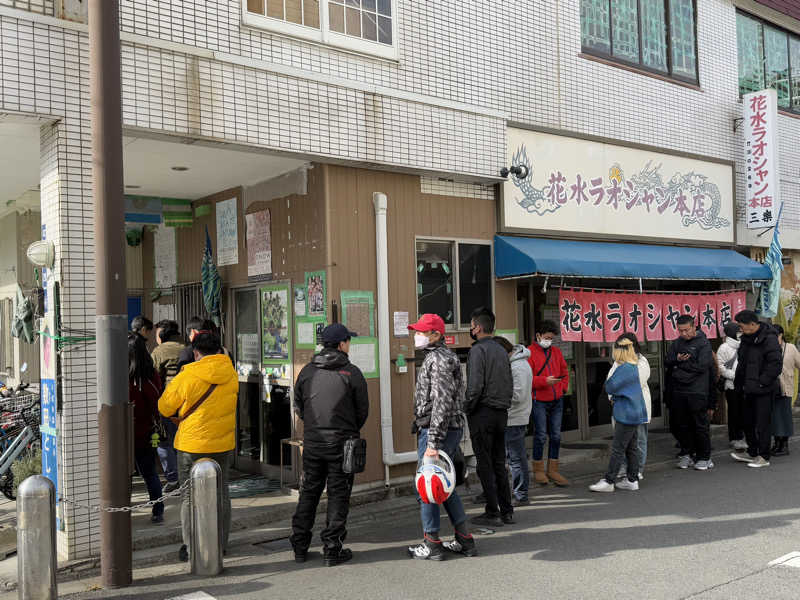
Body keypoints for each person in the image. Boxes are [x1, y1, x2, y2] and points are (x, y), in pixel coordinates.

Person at [290, 324, 369, 567]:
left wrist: (314, 426)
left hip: (313, 443)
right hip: (342, 444)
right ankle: (332, 549)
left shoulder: (307, 372)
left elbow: (299, 407)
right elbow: (362, 412)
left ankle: (300, 546)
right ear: (342, 344)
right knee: (338, 495)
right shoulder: (351, 373)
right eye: (348, 341)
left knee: (309, 493)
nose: (350, 345)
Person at [158, 330, 238, 562]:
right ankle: (220, 544)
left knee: (189, 497)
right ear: (219, 350)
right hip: (222, 443)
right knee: (221, 494)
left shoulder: (188, 376)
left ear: (195, 353)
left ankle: (191, 545)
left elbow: (164, 407)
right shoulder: (230, 374)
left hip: (191, 445)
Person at [406, 314, 475, 561]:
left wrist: (433, 442)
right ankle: (464, 539)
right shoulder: (440, 357)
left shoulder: (439, 359)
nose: (417, 335)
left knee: (429, 485)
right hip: (445, 429)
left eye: (422, 332)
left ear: (436, 334)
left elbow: (442, 403)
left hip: (438, 431)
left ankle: (432, 542)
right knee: (443, 485)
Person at [464, 307, 514, 527]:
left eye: (472, 325)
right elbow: (509, 383)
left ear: (479, 327)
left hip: (482, 412)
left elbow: (474, 387)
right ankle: (507, 510)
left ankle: (492, 511)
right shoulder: (502, 350)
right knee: (499, 462)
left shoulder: (477, 351)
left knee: (484, 463)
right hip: (501, 413)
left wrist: (467, 407)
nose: (470, 329)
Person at [589, 338, 648, 492]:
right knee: (631, 448)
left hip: (625, 413)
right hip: (635, 412)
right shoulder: (635, 365)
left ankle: (609, 480)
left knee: (618, 448)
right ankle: (632, 479)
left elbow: (609, 386)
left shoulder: (624, 368)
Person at [731, 310, 782, 468]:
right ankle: (752, 451)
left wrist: (761, 383)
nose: (740, 329)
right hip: (747, 388)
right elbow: (742, 363)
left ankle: (763, 456)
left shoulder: (769, 338)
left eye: (741, 325)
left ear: (752, 324)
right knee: (747, 422)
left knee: (762, 424)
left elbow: (775, 365)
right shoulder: (746, 339)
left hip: (763, 389)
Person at [664, 315, 714, 471]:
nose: (684, 334)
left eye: (686, 330)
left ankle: (704, 457)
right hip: (679, 390)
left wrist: (681, 367)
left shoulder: (703, 343)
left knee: (700, 425)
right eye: (680, 331)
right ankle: (687, 453)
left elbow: (703, 366)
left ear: (694, 327)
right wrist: (677, 360)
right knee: (682, 424)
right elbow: (667, 361)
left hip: (697, 390)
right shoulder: (677, 343)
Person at [527, 320, 570, 487]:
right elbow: (527, 379)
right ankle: (538, 469)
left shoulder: (557, 352)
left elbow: (565, 372)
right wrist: (545, 381)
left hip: (557, 399)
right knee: (540, 435)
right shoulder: (529, 353)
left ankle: (553, 470)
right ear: (538, 335)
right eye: (547, 337)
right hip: (538, 400)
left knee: (556, 435)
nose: (549, 340)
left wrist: (563, 388)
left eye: (551, 338)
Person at [128, 333, 165, 524]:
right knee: (150, 472)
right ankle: (158, 510)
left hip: (125, 436)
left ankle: (122, 512)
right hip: (149, 433)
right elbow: (157, 401)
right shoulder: (152, 376)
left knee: (126, 475)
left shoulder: (122, 378)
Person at [494, 336, 533, 507]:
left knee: (516, 458)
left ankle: (521, 494)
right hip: (512, 416)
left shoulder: (518, 367)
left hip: (514, 417)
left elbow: (517, 395)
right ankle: (518, 492)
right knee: (513, 457)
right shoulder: (515, 363)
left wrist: (497, 399)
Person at [608, 333, 651, 480]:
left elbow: (636, 382)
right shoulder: (618, 363)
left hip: (636, 408)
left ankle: (637, 470)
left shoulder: (641, 361)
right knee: (626, 442)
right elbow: (610, 382)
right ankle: (626, 468)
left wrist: (617, 390)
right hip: (621, 408)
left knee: (638, 440)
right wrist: (612, 396)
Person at [151, 320, 186, 494]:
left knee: (164, 442)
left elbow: (154, 377)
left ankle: (173, 478)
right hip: (187, 403)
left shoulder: (159, 352)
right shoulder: (187, 348)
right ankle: (187, 477)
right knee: (183, 441)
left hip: (168, 402)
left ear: (163, 334)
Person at [717, 322, 745, 451]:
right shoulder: (724, 347)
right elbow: (721, 366)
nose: (740, 333)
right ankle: (735, 437)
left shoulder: (744, 344)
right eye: (738, 331)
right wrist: (734, 376)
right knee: (734, 412)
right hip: (732, 384)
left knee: (744, 411)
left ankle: (744, 436)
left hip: (745, 384)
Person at [771, 325, 797, 456]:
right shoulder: (768, 348)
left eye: (776, 335)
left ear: (781, 335)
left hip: (786, 386)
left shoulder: (791, 348)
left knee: (785, 416)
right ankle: (777, 443)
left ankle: (784, 445)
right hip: (772, 387)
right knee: (774, 417)